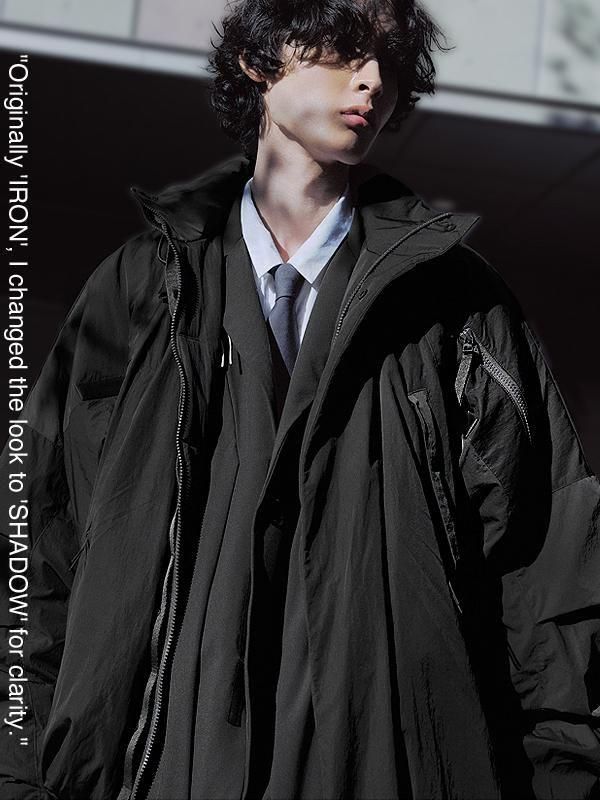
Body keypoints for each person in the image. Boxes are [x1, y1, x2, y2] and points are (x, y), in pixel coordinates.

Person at [1, 0, 600, 798]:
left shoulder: (458, 304)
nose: (374, 80)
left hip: (383, 761)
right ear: (258, 61)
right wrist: (21, 768)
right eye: (345, 49)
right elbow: (40, 537)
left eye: (390, 62)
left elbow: (543, 564)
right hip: (167, 761)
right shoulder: (138, 287)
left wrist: (562, 782)